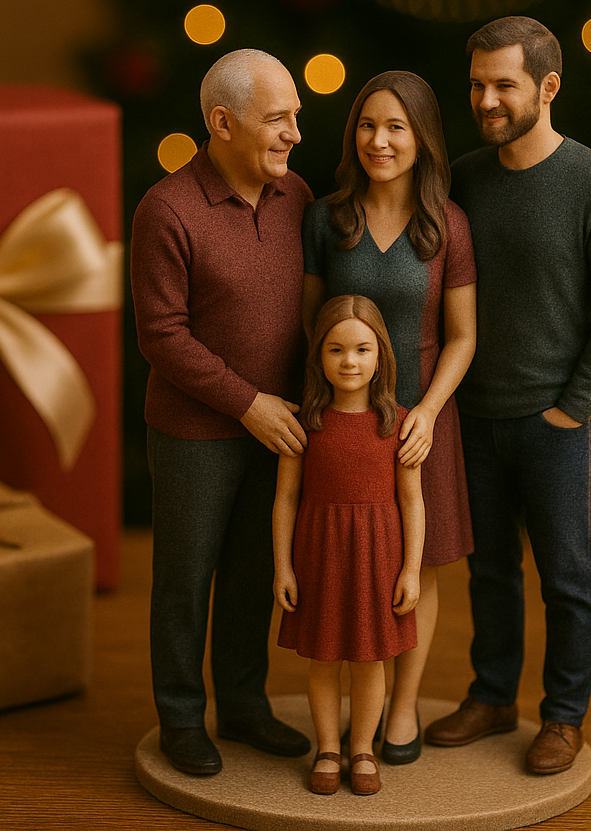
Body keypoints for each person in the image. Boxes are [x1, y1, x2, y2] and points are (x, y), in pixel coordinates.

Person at [425, 16, 591, 774]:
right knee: (489, 571)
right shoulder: (463, 178)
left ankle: (562, 716)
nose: (486, 100)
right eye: (478, 84)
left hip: (556, 421)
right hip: (473, 416)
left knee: (567, 578)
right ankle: (491, 697)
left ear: (548, 87)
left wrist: (573, 408)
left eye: (503, 85)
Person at [130, 48, 313, 776]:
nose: (296, 132)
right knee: (186, 577)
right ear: (222, 123)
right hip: (195, 434)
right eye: (278, 118)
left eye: (296, 115)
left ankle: (242, 706)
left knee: (249, 571)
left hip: (279, 431)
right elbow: (160, 335)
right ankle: (180, 719)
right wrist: (249, 404)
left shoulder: (296, 196)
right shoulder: (167, 210)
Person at [302, 71, 477, 763]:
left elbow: (463, 336)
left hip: (419, 424)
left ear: (423, 137)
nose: (380, 140)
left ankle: (400, 709)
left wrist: (429, 412)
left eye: (396, 127)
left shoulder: (448, 226)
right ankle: (338, 716)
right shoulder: (325, 217)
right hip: (343, 420)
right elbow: (307, 325)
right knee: (342, 554)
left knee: (419, 562)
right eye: (368, 126)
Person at [274, 294, 425, 796]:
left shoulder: (398, 424)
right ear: (318, 355)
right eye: (336, 350)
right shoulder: (306, 423)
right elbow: (287, 498)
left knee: (369, 661)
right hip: (320, 557)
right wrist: (283, 568)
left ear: (381, 354)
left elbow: (412, 503)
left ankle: (362, 749)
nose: (350, 361)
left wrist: (411, 570)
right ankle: (328, 749)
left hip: (377, 559)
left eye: (362, 349)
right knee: (324, 660)